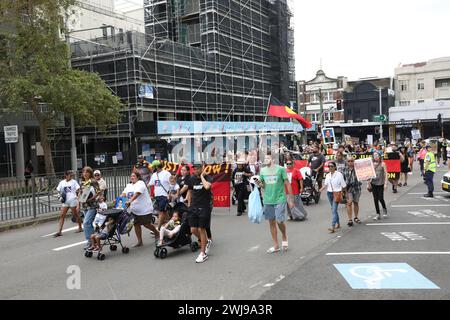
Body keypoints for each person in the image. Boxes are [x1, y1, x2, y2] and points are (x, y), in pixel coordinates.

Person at [257, 154, 294, 254]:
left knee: (279, 221)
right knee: (271, 222)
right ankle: (276, 245)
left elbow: (287, 183)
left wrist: (291, 199)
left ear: (273, 159)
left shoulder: (280, 169)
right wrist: (258, 183)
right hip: (268, 200)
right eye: (265, 158)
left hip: (280, 198)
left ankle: (284, 236)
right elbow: (263, 185)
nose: (266, 160)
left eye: (268, 158)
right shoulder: (263, 171)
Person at [123, 172, 159, 247]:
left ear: (138, 177)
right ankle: (140, 241)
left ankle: (156, 232)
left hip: (144, 209)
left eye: (133, 176)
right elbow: (123, 194)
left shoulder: (141, 183)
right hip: (134, 210)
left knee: (146, 224)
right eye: (131, 176)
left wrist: (130, 201)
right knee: (136, 224)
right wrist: (117, 200)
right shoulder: (129, 185)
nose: (132, 177)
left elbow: (137, 193)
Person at [187, 163, 213, 263]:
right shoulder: (191, 179)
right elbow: (190, 191)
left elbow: (207, 187)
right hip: (194, 207)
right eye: (194, 169)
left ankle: (203, 253)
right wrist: (189, 205)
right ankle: (205, 242)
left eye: (197, 169)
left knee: (201, 228)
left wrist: (202, 176)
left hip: (205, 207)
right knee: (193, 230)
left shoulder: (208, 177)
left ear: (202, 169)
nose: (195, 170)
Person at [54, 170, 82, 237]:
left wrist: (78, 202)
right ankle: (59, 231)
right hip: (65, 201)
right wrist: (59, 197)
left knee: (75, 214)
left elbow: (79, 190)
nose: (71, 176)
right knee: (62, 215)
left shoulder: (74, 182)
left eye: (72, 175)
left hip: (73, 200)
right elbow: (57, 191)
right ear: (66, 175)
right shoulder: (62, 183)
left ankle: (80, 227)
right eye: (70, 175)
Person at [320, 161, 346, 233]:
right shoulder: (328, 175)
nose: (330, 168)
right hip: (329, 193)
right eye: (329, 166)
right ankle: (338, 223)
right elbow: (325, 184)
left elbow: (344, 185)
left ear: (335, 167)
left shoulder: (339, 174)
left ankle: (333, 226)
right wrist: (320, 189)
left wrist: (344, 193)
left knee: (334, 210)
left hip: (337, 193)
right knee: (333, 209)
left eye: (332, 166)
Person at [79, 166, 100, 249]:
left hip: (92, 205)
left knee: (86, 223)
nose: (85, 174)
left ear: (90, 173)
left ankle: (90, 242)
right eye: (84, 172)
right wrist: (79, 202)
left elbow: (98, 192)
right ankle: (93, 241)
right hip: (84, 205)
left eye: (87, 172)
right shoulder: (82, 182)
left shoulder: (93, 181)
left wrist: (90, 199)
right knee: (88, 224)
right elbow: (80, 193)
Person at [149, 160, 172, 230]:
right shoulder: (154, 175)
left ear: (156, 167)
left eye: (153, 167)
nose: (151, 168)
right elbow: (150, 184)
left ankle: (158, 228)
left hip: (164, 196)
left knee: (161, 212)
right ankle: (171, 224)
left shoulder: (166, 173)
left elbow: (172, 184)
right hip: (157, 196)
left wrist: (170, 194)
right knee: (163, 212)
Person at [343, 157, 362, 226]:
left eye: (352, 161)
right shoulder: (344, 169)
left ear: (354, 161)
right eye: (349, 161)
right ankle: (350, 219)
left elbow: (363, 176)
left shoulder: (358, 169)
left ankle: (356, 217)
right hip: (349, 189)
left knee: (356, 202)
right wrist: (343, 189)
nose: (350, 162)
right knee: (349, 203)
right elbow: (342, 179)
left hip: (357, 188)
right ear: (347, 162)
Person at [369, 152, 388, 220]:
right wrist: (368, 184)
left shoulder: (383, 164)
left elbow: (386, 174)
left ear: (380, 156)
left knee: (380, 198)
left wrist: (386, 183)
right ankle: (378, 214)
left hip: (381, 183)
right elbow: (369, 175)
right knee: (375, 199)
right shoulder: (371, 164)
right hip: (373, 183)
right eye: (374, 155)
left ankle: (384, 208)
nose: (375, 156)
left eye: (377, 155)